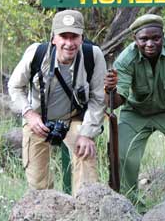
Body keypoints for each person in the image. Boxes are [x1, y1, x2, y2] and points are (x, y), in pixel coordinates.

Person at [8, 10, 107, 194]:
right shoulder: (36, 54)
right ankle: (47, 215)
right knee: (37, 183)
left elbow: (98, 98)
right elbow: (14, 87)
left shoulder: (93, 55)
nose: (69, 43)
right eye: (63, 36)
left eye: (74, 37)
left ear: (81, 38)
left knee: (85, 152)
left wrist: (87, 133)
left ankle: (84, 210)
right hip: (38, 119)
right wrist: (29, 114)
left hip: (75, 118)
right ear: (54, 38)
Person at [104, 14, 165, 201]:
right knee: (122, 154)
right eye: (144, 39)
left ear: (163, 36)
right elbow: (117, 101)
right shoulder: (125, 59)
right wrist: (109, 89)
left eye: (156, 38)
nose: (150, 44)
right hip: (136, 111)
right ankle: (130, 205)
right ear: (135, 39)